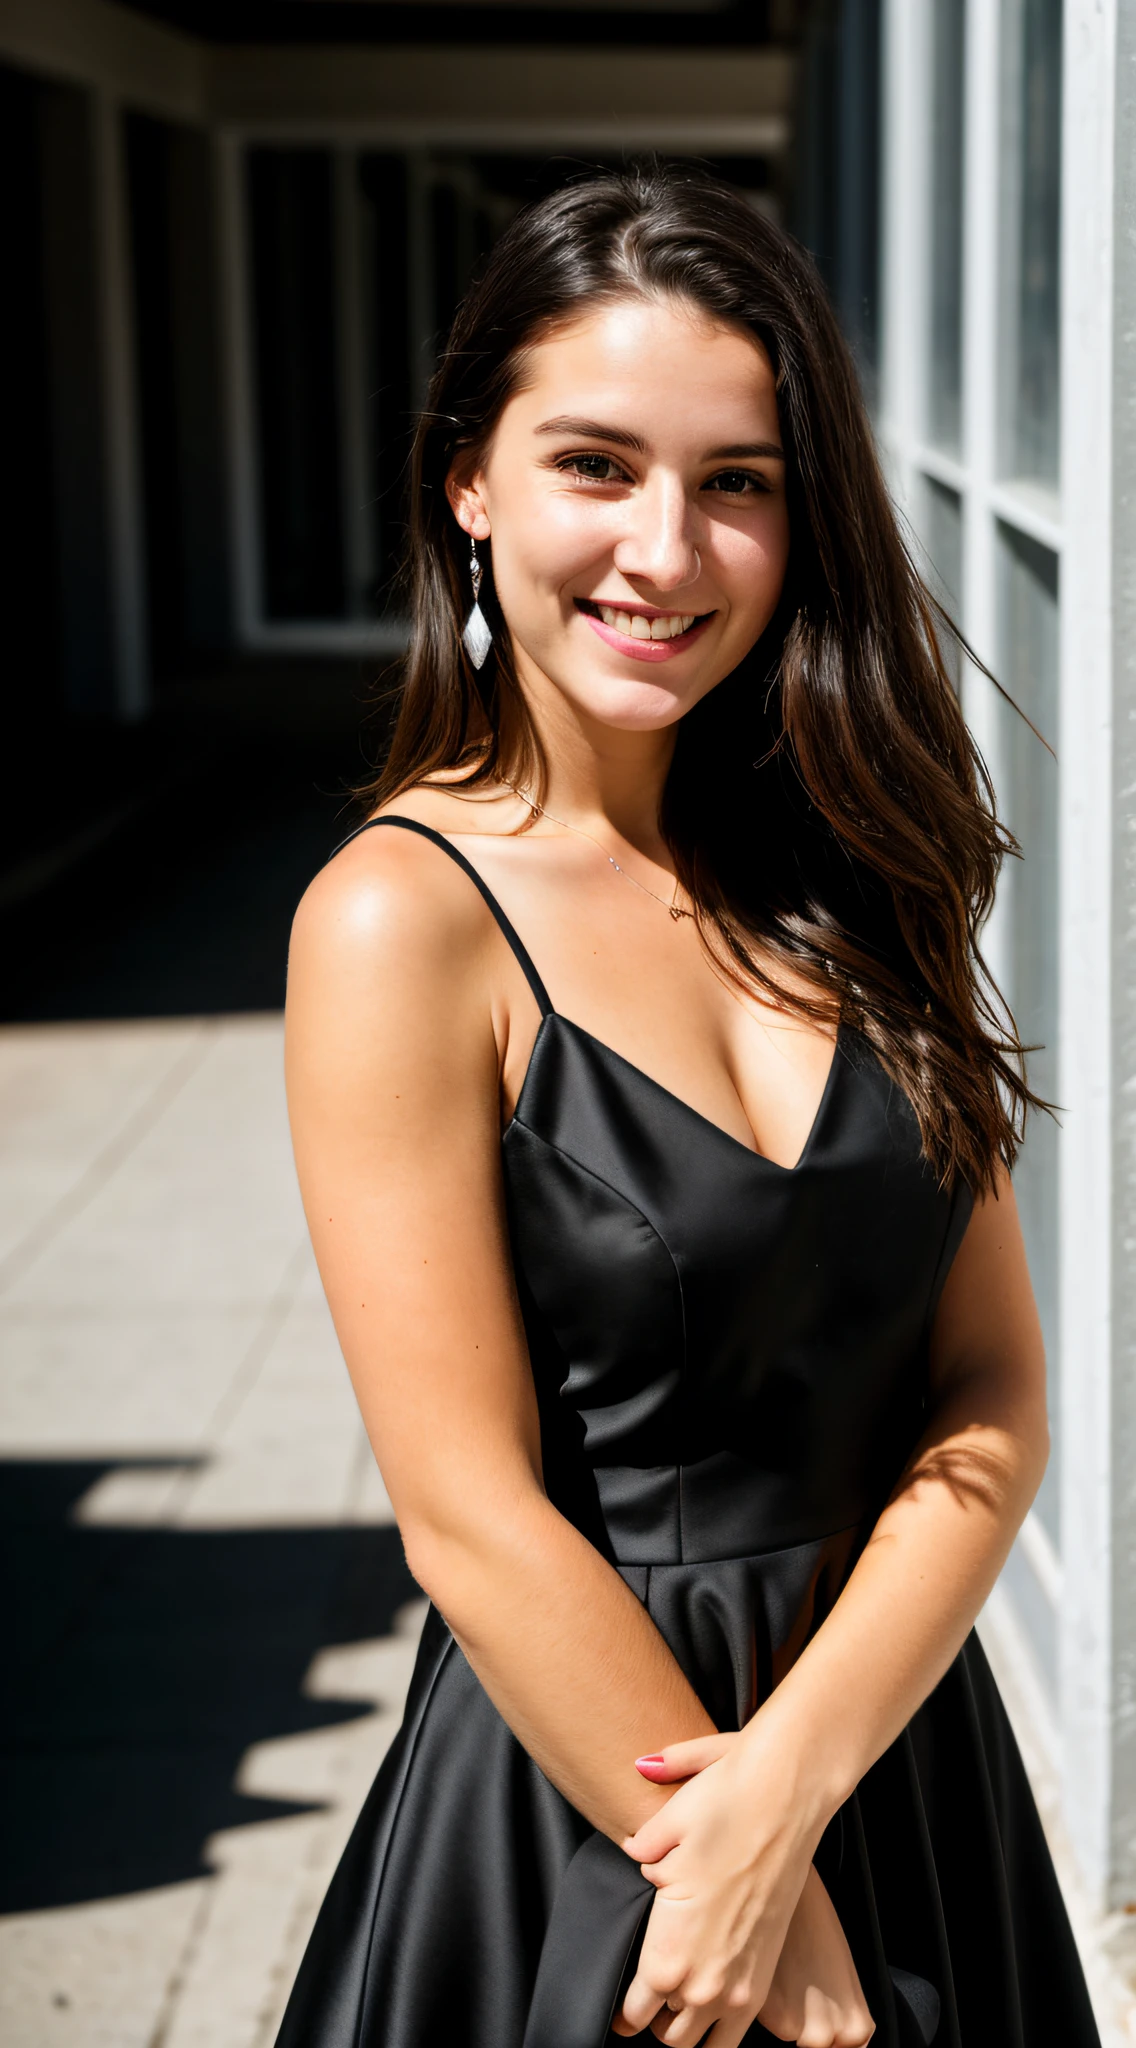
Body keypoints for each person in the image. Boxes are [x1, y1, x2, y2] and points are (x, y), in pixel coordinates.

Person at [277, 163, 1099, 2048]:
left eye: (737, 481)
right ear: (467, 485)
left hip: (884, 1768)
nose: (666, 548)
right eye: (595, 464)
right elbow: (468, 1511)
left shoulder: (863, 869)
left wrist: (793, 1797)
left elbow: (992, 1395)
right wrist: (732, 1877)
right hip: (592, 1805)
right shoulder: (403, 920)